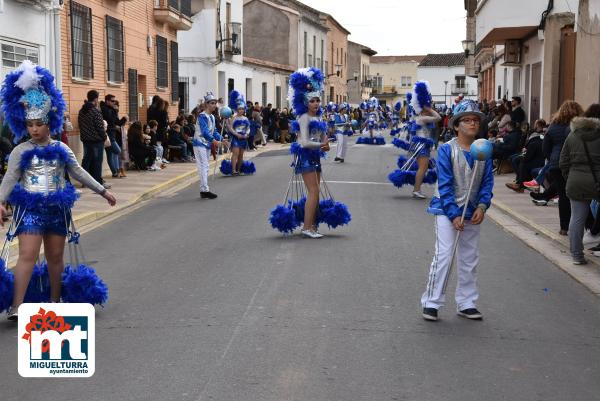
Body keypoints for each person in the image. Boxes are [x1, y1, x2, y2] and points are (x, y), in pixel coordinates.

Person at [0, 61, 116, 320]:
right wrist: (0, 201)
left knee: (55, 257)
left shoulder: (62, 149)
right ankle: (17, 306)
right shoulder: (21, 150)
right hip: (29, 210)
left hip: (57, 210)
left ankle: (53, 301)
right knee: (27, 254)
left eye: (38, 124)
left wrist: (102, 191)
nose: (34, 129)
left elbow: (78, 172)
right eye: (30, 124)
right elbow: (10, 178)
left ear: (49, 122)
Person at [421, 100, 494, 321]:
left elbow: (487, 182)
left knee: (469, 258)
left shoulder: (484, 150)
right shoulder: (446, 150)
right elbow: (444, 184)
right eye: (467, 120)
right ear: (456, 125)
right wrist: (453, 214)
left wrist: (482, 205)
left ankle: (467, 302)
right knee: (444, 255)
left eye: (475, 120)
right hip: (446, 209)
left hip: (472, 211)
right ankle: (432, 301)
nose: (472, 124)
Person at [531, 101, 584, 235]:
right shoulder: (578, 126)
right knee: (577, 196)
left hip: (556, 164)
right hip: (574, 163)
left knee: (563, 195)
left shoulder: (553, 126)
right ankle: (580, 226)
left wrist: (552, 159)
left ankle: (564, 227)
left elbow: (545, 148)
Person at [289, 67, 329, 238]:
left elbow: (322, 135)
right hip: (305, 157)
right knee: (313, 191)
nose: (316, 104)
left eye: (317, 101)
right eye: (312, 101)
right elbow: (303, 142)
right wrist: (321, 144)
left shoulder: (318, 117)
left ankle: (312, 225)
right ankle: (306, 227)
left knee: (315, 190)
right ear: (305, 102)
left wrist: (325, 141)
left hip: (315, 156)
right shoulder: (304, 117)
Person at [559, 104, 600, 265]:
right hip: (597, 182)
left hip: (576, 182)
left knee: (576, 219)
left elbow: (563, 162)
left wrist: (570, 177)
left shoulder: (572, 135)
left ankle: (577, 255)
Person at [410, 82, 442, 199]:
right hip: (421, 146)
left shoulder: (420, 118)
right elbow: (438, 117)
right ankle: (416, 190)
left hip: (421, 145)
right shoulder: (423, 118)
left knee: (422, 168)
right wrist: (428, 108)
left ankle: (417, 189)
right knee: (422, 168)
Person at [194, 92, 227, 199]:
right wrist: (214, 141)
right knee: (203, 166)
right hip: (199, 144)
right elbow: (205, 132)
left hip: (206, 144)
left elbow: (214, 131)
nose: (214, 105)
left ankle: (203, 189)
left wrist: (222, 139)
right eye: (212, 103)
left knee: (205, 167)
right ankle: (205, 189)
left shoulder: (212, 117)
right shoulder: (202, 116)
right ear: (207, 104)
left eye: (215, 103)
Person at [78, 89, 110, 188]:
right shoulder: (95, 111)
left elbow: (80, 125)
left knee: (86, 160)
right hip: (96, 141)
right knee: (97, 161)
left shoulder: (82, 111)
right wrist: (104, 137)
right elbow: (100, 127)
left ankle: (85, 181)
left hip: (86, 140)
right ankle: (97, 182)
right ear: (96, 99)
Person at [505, 119, 546, 192]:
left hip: (538, 159)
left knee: (522, 162)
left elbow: (531, 149)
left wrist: (525, 152)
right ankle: (519, 181)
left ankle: (520, 184)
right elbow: (524, 144)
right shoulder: (532, 133)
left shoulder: (539, 137)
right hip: (532, 154)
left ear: (537, 125)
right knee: (515, 159)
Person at [100, 94, 127, 178]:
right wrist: (115, 111)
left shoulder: (111, 109)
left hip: (112, 134)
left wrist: (124, 119)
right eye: (112, 101)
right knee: (118, 151)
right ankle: (117, 170)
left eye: (114, 101)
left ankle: (115, 172)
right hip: (108, 135)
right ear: (107, 101)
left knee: (110, 154)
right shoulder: (104, 109)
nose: (114, 103)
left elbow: (117, 122)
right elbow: (110, 120)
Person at [226, 90, 250, 175]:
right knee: (235, 154)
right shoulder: (233, 118)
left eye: (242, 109)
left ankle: (239, 170)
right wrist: (237, 134)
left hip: (243, 138)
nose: (241, 110)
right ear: (237, 109)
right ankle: (233, 170)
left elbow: (248, 128)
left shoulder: (245, 119)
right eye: (239, 109)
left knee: (241, 155)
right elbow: (231, 128)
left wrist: (246, 134)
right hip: (236, 138)